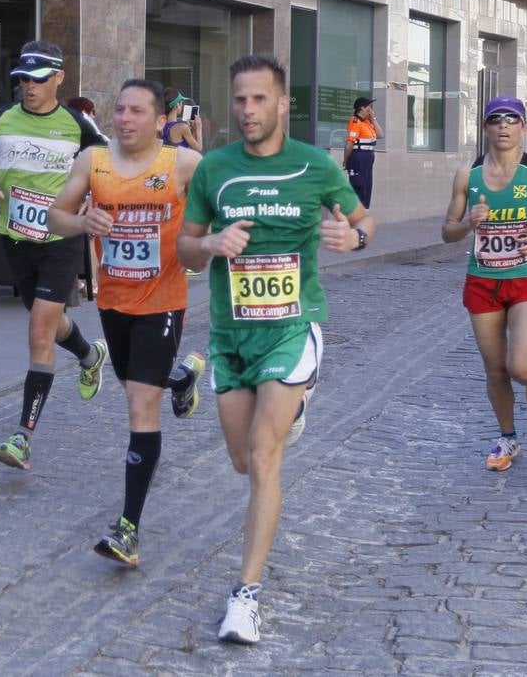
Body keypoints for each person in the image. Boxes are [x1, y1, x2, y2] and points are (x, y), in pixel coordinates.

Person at [177, 54, 374, 645]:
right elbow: (185, 251)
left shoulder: (313, 166)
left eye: (260, 99)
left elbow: (363, 220)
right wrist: (211, 241)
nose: (247, 110)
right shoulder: (215, 169)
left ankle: (246, 596)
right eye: (239, 99)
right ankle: (294, 409)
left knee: (264, 458)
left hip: (293, 326)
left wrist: (353, 236)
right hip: (231, 334)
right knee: (241, 459)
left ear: (282, 103)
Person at [48, 78, 204, 567]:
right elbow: (55, 216)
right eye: (120, 110)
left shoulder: (182, 164)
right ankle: (182, 376)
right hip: (113, 302)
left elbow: (221, 209)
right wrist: (82, 223)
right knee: (138, 387)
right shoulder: (91, 161)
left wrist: (211, 245)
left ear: (161, 121)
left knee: (140, 407)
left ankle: (128, 529)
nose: (125, 119)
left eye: (138, 111)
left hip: (163, 299)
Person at [0, 40, 109, 470]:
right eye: (23, 79)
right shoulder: (0, 119)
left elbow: (110, 167)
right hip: (14, 237)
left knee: (38, 329)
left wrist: (91, 200)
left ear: (59, 78)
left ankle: (22, 436)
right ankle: (89, 354)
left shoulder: (78, 125)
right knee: (47, 318)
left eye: (38, 79)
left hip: (61, 240)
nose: (29, 86)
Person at [441, 96, 527, 472]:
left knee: (520, 366)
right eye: (495, 119)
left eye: (511, 119)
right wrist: (469, 223)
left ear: (523, 128)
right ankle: (508, 437)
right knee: (496, 370)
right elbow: (447, 233)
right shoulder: (466, 176)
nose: (503, 126)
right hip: (483, 281)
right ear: (485, 127)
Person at [344, 96, 379, 207]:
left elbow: (380, 134)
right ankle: (355, 217)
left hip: (368, 156)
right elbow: (349, 145)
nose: (370, 108)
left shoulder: (367, 123)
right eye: (368, 106)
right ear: (361, 108)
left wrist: (373, 119)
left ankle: (363, 217)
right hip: (359, 156)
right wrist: (346, 161)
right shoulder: (355, 122)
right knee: (358, 186)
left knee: (367, 188)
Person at [161, 87, 203, 152]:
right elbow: (198, 148)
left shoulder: (160, 125)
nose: (182, 105)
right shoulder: (182, 127)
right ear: (177, 105)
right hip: (178, 161)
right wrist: (199, 128)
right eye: (181, 103)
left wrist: (193, 129)